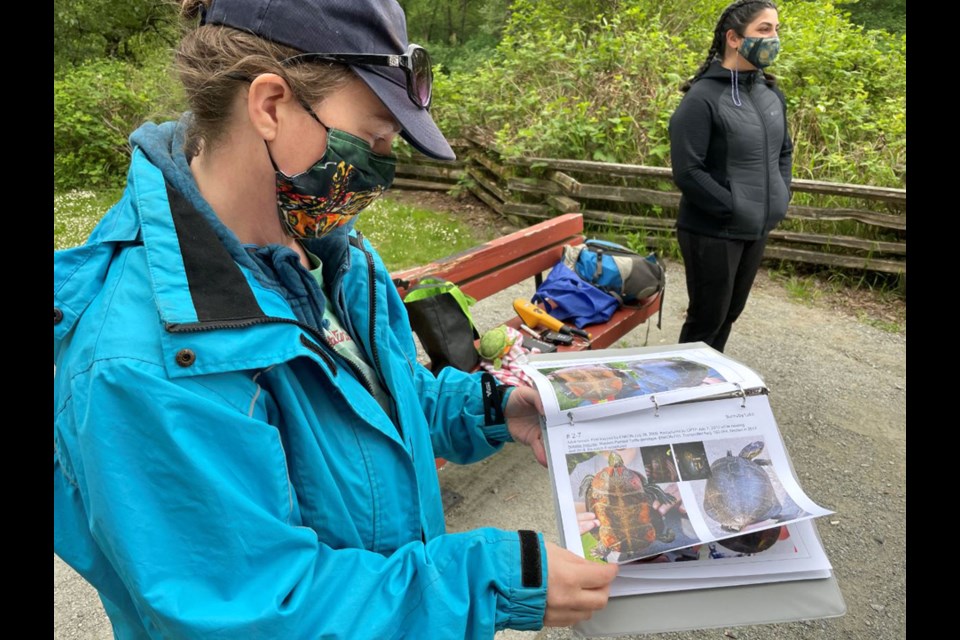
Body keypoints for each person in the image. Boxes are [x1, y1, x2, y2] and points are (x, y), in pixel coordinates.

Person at [52, 1, 618, 638]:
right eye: (373, 139)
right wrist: (482, 579)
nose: (382, 168)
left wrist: (491, 407)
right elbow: (254, 612)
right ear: (269, 105)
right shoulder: (148, 362)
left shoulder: (327, 257)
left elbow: (371, 408)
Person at [668, 0, 793, 353]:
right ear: (734, 38)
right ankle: (683, 396)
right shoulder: (702, 98)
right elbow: (688, 171)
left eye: (776, 30)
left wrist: (780, 196)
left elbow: (783, 152)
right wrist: (734, 206)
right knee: (707, 318)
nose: (774, 38)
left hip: (755, 228)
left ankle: (708, 389)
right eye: (764, 30)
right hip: (712, 231)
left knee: (729, 315)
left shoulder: (769, 93)